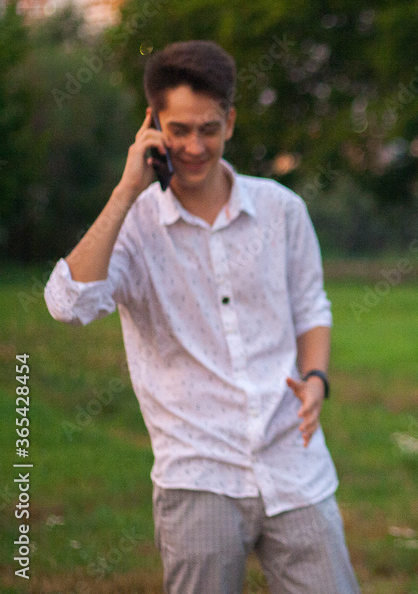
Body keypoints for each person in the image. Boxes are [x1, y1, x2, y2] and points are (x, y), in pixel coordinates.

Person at [44, 40, 360, 593]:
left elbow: (311, 306)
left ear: (230, 122)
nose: (193, 146)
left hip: (294, 463)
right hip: (197, 473)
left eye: (208, 129)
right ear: (152, 125)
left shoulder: (282, 209)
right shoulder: (134, 225)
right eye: (179, 130)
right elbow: (68, 305)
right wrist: (126, 191)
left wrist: (315, 379)